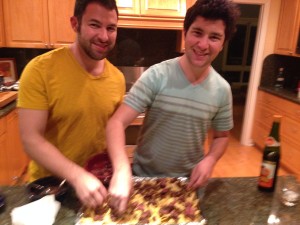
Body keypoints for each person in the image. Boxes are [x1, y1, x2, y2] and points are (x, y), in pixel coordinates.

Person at [106, 0, 240, 214]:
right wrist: (122, 169)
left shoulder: (222, 90)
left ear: (223, 43)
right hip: (143, 179)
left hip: (188, 184)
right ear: (185, 32)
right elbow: (116, 123)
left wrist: (210, 160)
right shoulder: (156, 75)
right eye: (197, 32)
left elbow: (222, 137)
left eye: (214, 37)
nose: (203, 44)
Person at [17, 0, 125, 208]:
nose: (104, 36)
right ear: (75, 24)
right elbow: (31, 138)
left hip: (97, 186)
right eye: (94, 25)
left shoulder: (117, 79)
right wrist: (77, 176)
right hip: (52, 188)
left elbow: (112, 132)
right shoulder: (40, 70)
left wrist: (120, 169)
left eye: (111, 28)